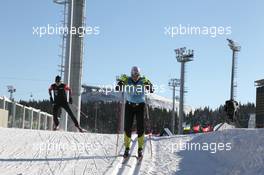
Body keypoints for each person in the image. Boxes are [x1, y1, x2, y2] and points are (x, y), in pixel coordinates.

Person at [116, 66, 154, 159]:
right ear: (131, 74)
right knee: (127, 127)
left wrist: (148, 84)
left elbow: (151, 89)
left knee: (140, 128)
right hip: (129, 106)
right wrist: (121, 82)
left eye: (137, 75)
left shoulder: (143, 80)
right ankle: (127, 148)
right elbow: (118, 88)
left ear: (139, 74)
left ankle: (140, 149)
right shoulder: (127, 79)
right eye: (133, 75)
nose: (135, 77)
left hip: (140, 105)